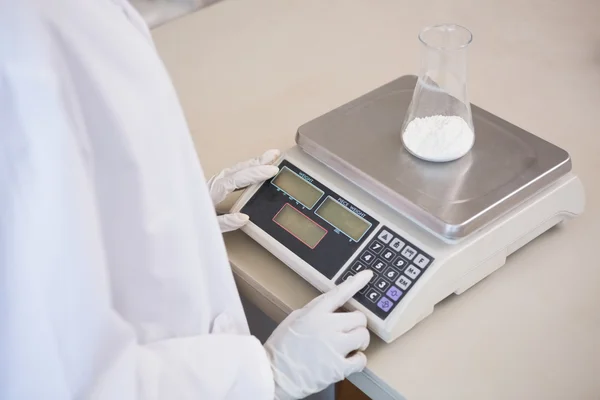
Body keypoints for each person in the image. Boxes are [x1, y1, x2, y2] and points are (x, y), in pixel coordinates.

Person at [0, 1, 373, 399]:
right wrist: (269, 377)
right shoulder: (23, 46)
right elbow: (62, 379)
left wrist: (182, 212)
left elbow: (74, 194)